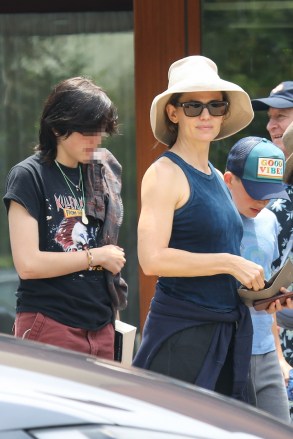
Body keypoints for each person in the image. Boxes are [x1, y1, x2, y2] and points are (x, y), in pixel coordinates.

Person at [132, 55, 265, 402]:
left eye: (215, 105)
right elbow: (151, 259)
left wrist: (260, 295)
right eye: (193, 106)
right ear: (173, 113)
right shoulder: (164, 173)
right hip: (183, 335)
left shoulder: (214, 174)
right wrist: (230, 263)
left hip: (225, 330)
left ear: (223, 113)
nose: (205, 115)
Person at [3, 76, 127, 359]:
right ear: (58, 127)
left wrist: (113, 317)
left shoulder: (100, 174)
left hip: (101, 325)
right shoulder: (28, 176)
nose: (95, 140)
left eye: (100, 131)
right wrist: (96, 257)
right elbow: (28, 264)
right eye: (87, 131)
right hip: (49, 323)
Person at [224, 136, 291, 422]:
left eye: (270, 193)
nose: (263, 200)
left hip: (265, 350)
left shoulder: (269, 220)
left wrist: (278, 355)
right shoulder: (213, 220)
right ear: (229, 180)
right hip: (226, 350)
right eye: (255, 191)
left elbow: (266, 283)